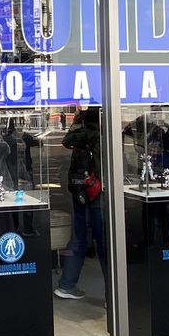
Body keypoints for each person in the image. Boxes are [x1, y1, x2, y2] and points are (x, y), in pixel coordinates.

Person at [55, 108, 107, 301]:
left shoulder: (77, 137)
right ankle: (112, 296)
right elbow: (104, 168)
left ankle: (67, 284)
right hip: (97, 197)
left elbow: (66, 140)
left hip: (79, 193)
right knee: (105, 244)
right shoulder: (100, 138)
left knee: (78, 238)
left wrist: (76, 124)